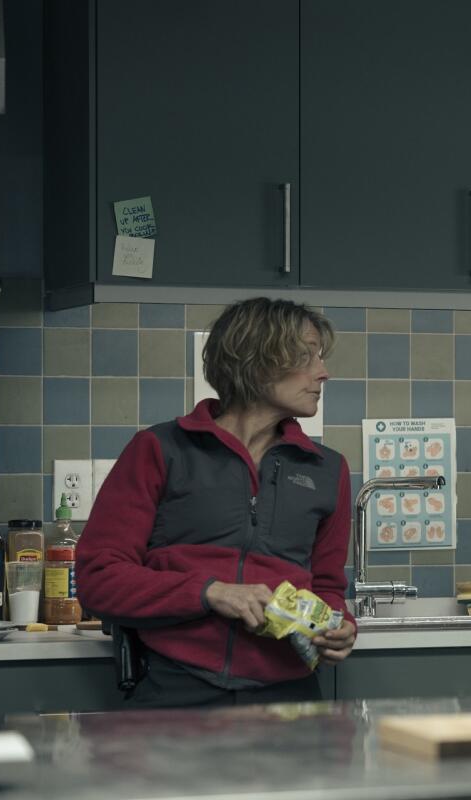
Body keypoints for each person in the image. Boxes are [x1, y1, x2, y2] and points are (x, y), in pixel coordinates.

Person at [76, 298, 357, 707]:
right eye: (306, 355)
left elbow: (328, 586)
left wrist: (340, 626)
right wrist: (211, 593)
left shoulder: (327, 469)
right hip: (174, 689)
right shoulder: (159, 450)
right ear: (257, 361)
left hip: (289, 702)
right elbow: (99, 579)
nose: (323, 372)